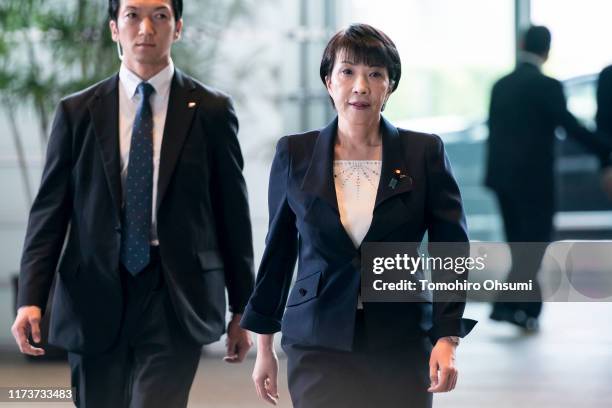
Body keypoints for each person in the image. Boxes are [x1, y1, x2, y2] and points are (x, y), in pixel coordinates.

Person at [10, 0, 255, 406]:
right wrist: (30, 298)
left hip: (175, 291)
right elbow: (49, 213)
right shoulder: (77, 111)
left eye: (160, 16)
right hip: (94, 288)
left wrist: (243, 306)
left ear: (177, 28)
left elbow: (233, 214)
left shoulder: (211, 110)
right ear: (113, 28)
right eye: (133, 15)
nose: (146, 28)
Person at [240, 23, 476, 408]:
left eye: (375, 74)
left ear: (390, 85)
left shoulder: (423, 153)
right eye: (348, 71)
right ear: (328, 81)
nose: (360, 86)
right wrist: (264, 346)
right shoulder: (294, 154)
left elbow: (451, 250)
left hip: (401, 340)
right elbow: (278, 253)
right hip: (317, 341)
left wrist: (447, 337)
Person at [485, 25, 612, 329]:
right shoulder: (547, 86)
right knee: (534, 244)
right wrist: (606, 150)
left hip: (502, 180)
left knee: (520, 245)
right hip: (534, 182)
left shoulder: (500, 85)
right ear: (547, 50)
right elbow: (570, 126)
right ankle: (509, 306)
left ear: (521, 44)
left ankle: (523, 308)